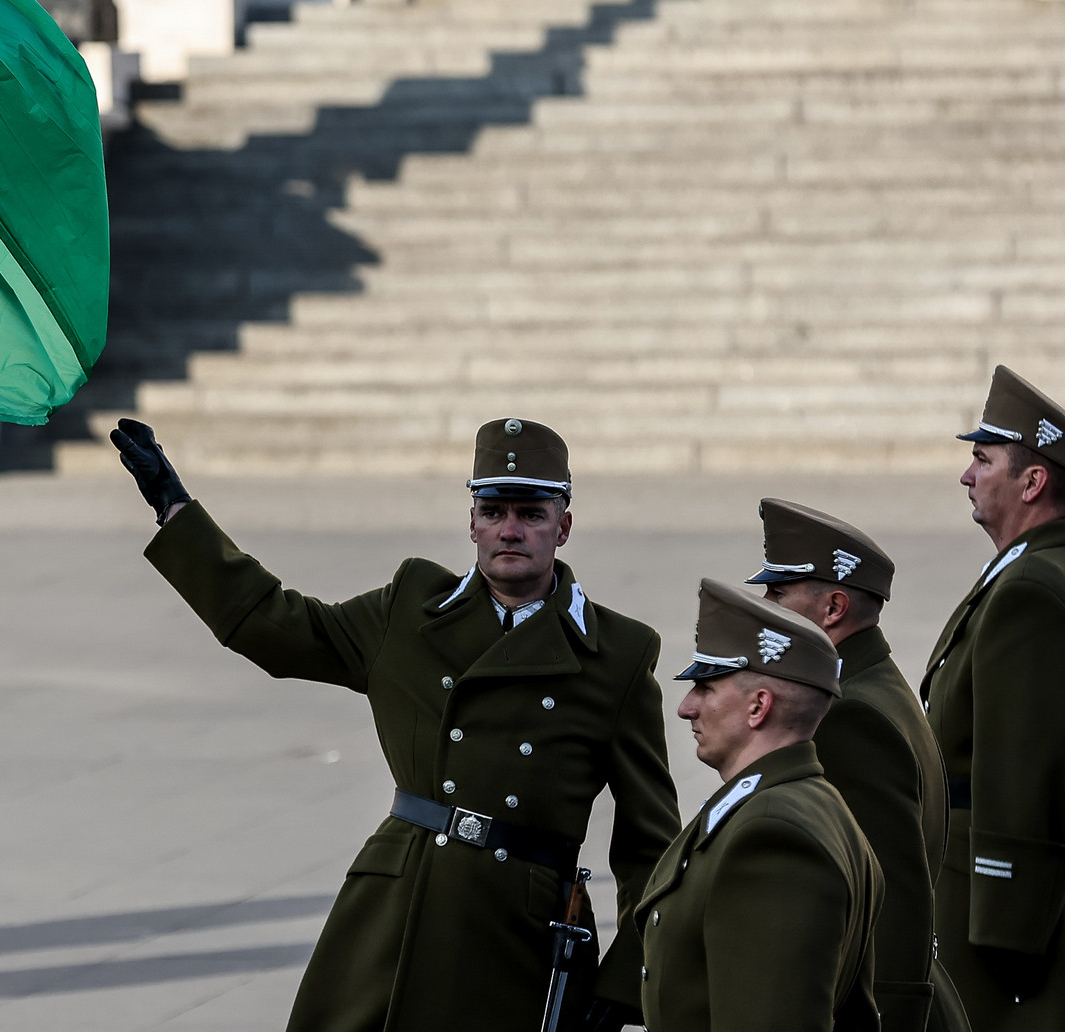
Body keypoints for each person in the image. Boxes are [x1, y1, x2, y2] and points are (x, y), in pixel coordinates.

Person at [112, 416, 678, 1032]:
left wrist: (628, 979)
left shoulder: (617, 654)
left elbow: (650, 841)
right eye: (492, 511)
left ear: (563, 526)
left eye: (530, 513)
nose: (509, 530)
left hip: (520, 930)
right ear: (471, 522)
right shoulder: (411, 608)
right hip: (396, 906)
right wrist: (176, 510)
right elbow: (276, 629)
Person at [922, 365, 1065, 1029]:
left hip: (1016, 918)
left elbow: (1025, 776)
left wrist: (1004, 937)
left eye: (982, 460)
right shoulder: (1063, 570)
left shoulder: (1031, 594)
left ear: (1032, 480)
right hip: (1053, 889)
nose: (967, 475)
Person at [747, 499, 965, 1032]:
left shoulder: (849, 717)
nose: (765, 612)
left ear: (834, 608)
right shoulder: (872, 686)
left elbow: (890, 899)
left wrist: (887, 1016)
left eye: (779, 594)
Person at [639, 579, 881, 1032]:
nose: (686, 708)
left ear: (758, 707)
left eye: (706, 688)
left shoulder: (772, 837)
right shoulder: (801, 803)